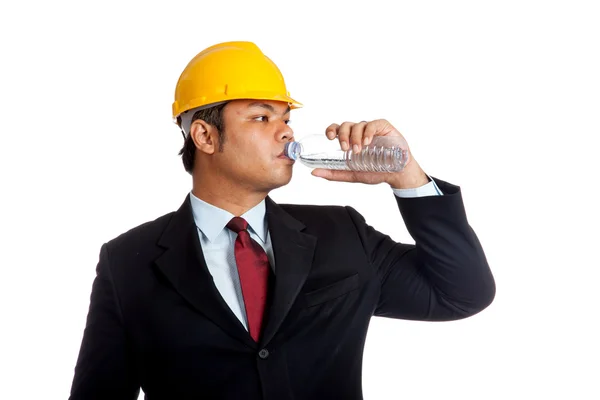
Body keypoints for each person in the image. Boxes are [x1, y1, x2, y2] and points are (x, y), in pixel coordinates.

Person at [69, 41, 495, 400]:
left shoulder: (343, 234)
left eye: (286, 118)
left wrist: (407, 176)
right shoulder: (128, 263)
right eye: (261, 117)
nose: (286, 132)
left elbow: (461, 293)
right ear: (205, 136)